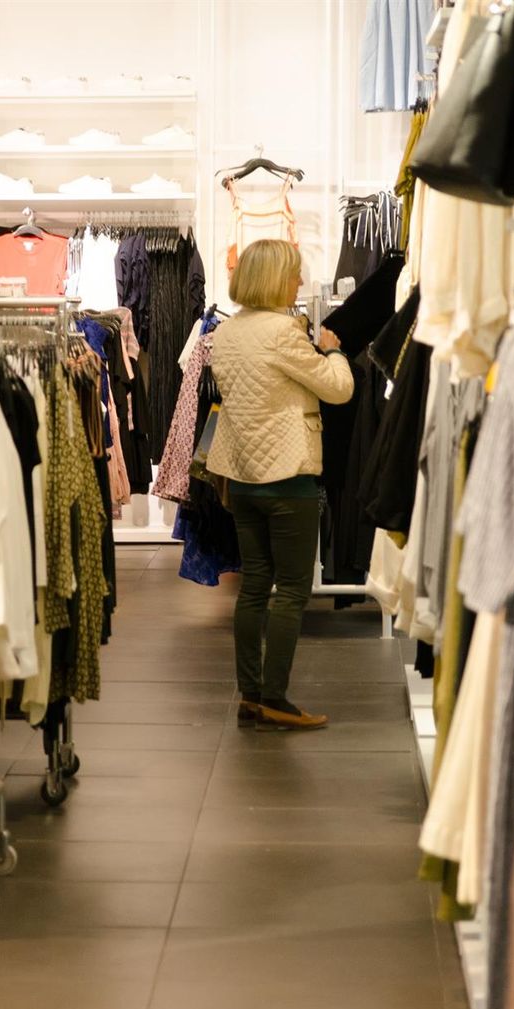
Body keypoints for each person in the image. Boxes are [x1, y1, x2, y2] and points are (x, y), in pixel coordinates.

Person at [208, 239, 354, 731]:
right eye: (293, 274)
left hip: (243, 475)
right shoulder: (284, 332)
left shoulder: (226, 332)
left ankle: (251, 695)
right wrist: (333, 353)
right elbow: (338, 390)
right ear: (275, 279)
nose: (298, 282)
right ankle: (275, 698)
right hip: (288, 476)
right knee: (291, 589)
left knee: (254, 586)